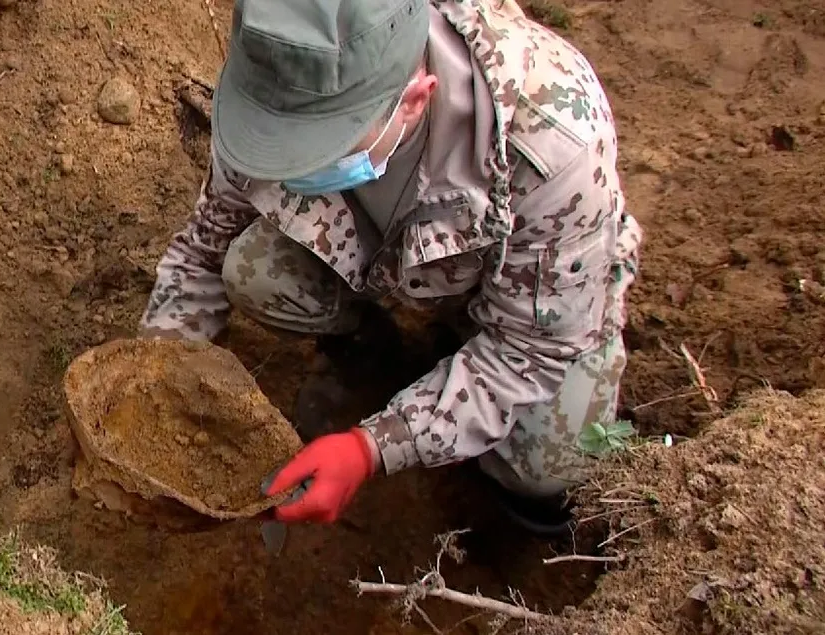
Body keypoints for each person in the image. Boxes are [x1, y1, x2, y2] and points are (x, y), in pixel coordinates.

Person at [137, 0, 643, 536]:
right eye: (281, 146)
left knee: (545, 467)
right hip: (391, 268)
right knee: (255, 270)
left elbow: (527, 354)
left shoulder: (553, 143)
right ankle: (373, 358)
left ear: (414, 99)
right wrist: (155, 376)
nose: (289, 165)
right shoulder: (276, 84)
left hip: (533, 303)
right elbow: (203, 253)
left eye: (319, 149)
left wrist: (373, 448)